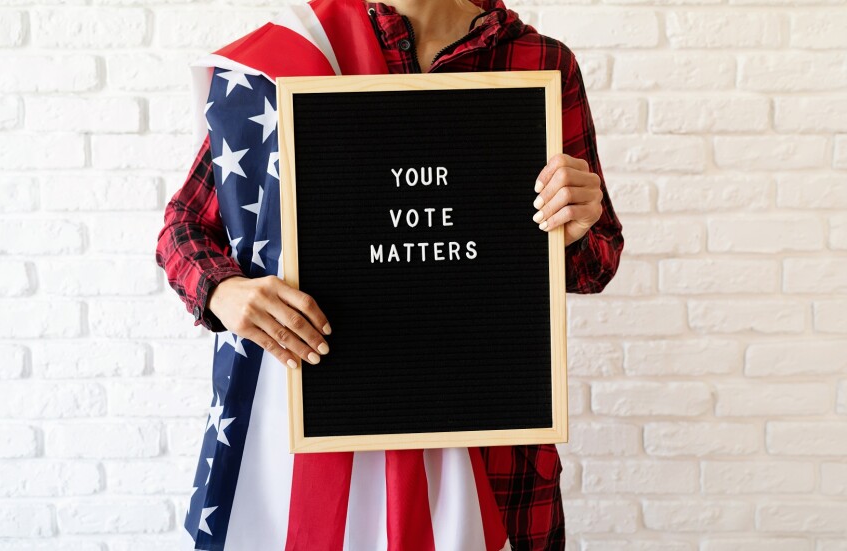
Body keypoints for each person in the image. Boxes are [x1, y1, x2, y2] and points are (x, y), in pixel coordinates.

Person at [156, 0, 623, 549]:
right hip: (329, 463)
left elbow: (595, 265)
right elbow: (183, 227)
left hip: (497, 455)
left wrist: (577, 222)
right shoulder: (294, 58)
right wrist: (225, 292)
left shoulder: (539, 62)